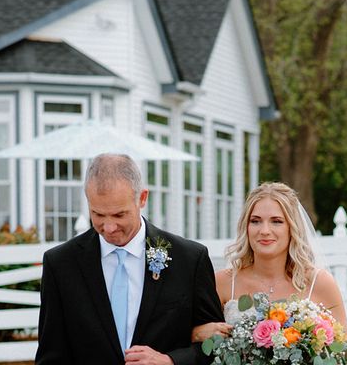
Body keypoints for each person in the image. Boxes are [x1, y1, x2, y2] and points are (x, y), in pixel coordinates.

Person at [35, 153, 223, 365]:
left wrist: (170, 361)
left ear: (142, 198)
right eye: (97, 214)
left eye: (118, 215)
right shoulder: (60, 264)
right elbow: (51, 356)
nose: (108, 227)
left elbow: (217, 347)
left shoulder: (189, 260)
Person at [191, 182, 347, 343]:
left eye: (277, 221)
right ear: (246, 227)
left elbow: (345, 356)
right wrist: (196, 334)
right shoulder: (222, 283)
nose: (264, 231)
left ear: (292, 227)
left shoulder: (319, 282)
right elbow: (187, 341)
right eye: (255, 221)